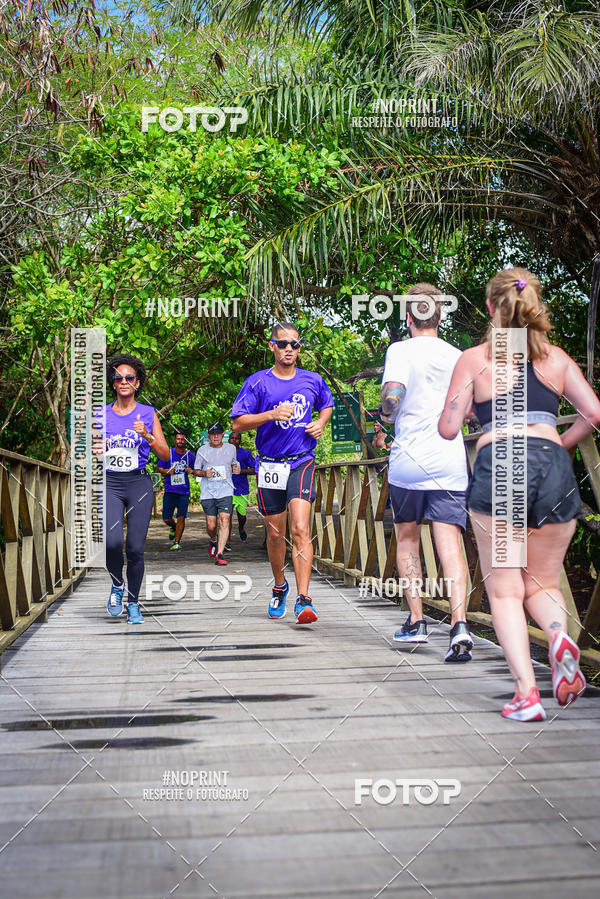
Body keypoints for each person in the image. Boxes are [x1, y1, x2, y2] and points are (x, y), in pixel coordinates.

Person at [439, 267, 600, 720]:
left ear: (491, 307)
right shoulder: (555, 358)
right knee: (543, 583)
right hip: (552, 469)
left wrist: (467, 405)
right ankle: (560, 639)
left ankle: (527, 694)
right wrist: (558, 443)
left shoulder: (476, 358)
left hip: (502, 467)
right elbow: (593, 412)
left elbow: (448, 428)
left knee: (506, 590)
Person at [381, 283, 473, 661]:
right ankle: (460, 625)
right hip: (449, 462)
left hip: (408, 464)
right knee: (449, 542)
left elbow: (393, 393)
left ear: (408, 317)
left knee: (407, 540)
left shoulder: (399, 349)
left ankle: (417, 621)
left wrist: (387, 413)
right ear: (440, 315)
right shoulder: (458, 355)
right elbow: (468, 410)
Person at [231, 322, 334, 623]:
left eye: (295, 344)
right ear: (272, 347)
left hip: (301, 461)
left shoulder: (312, 380)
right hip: (269, 464)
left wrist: (321, 424)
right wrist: (271, 415)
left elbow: (326, 406)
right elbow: (238, 423)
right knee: (275, 533)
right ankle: (280, 586)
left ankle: (304, 600)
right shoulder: (258, 382)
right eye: (283, 344)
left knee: (300, 527)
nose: (289, 349)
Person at [101, 353, 170, 624]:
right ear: (113, 383)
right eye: (118, 378)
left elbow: (165, 455)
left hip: (138, 483)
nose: (124, 381)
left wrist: (147, 435)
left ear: (138, 382)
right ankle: (117, 584)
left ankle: (133, 602)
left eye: (130, 377)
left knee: (135, 548)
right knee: (112, 542)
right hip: (110, 482)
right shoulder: (100, 414)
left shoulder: (148, 413)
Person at [193, 422, 240, 565]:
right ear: (208, 436)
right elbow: (195, 471)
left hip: (225, 490)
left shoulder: (231, 448)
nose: (216, 436)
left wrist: (236, 468)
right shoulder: (202, 450)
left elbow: (234, 464)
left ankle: (220, 554)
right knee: (211, 526)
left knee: (225, 519)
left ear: (223, 435)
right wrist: (204, 473)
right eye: (213, 434)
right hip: (208, 492)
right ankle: (213, 540)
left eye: (218, 434)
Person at [157, 428, 195, 551]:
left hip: (183, 491)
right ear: (175, 440)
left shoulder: (190, 456)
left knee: (181, 517)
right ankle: (173, 527)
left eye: (182, 439)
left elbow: (198, 470)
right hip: (169, 490)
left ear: (186, 440)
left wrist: (192, 471)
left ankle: (177, 542)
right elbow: (159, 467)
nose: (180, 441)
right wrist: (167, 471)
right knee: (166, 518)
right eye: (178, 439)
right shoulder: (168, 453)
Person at [228, 431, 256, 542]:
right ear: (228, 439)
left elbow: (255, 469)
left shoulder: (245, 454)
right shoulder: (223, 453)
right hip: (227, 490)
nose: (234, 440)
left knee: (242, 516)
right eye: (232, 438)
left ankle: (241, 528)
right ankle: (227, 541)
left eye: (237, 438)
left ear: (240, 440)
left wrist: (242, 471)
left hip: (241, 489)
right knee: (226, 517)